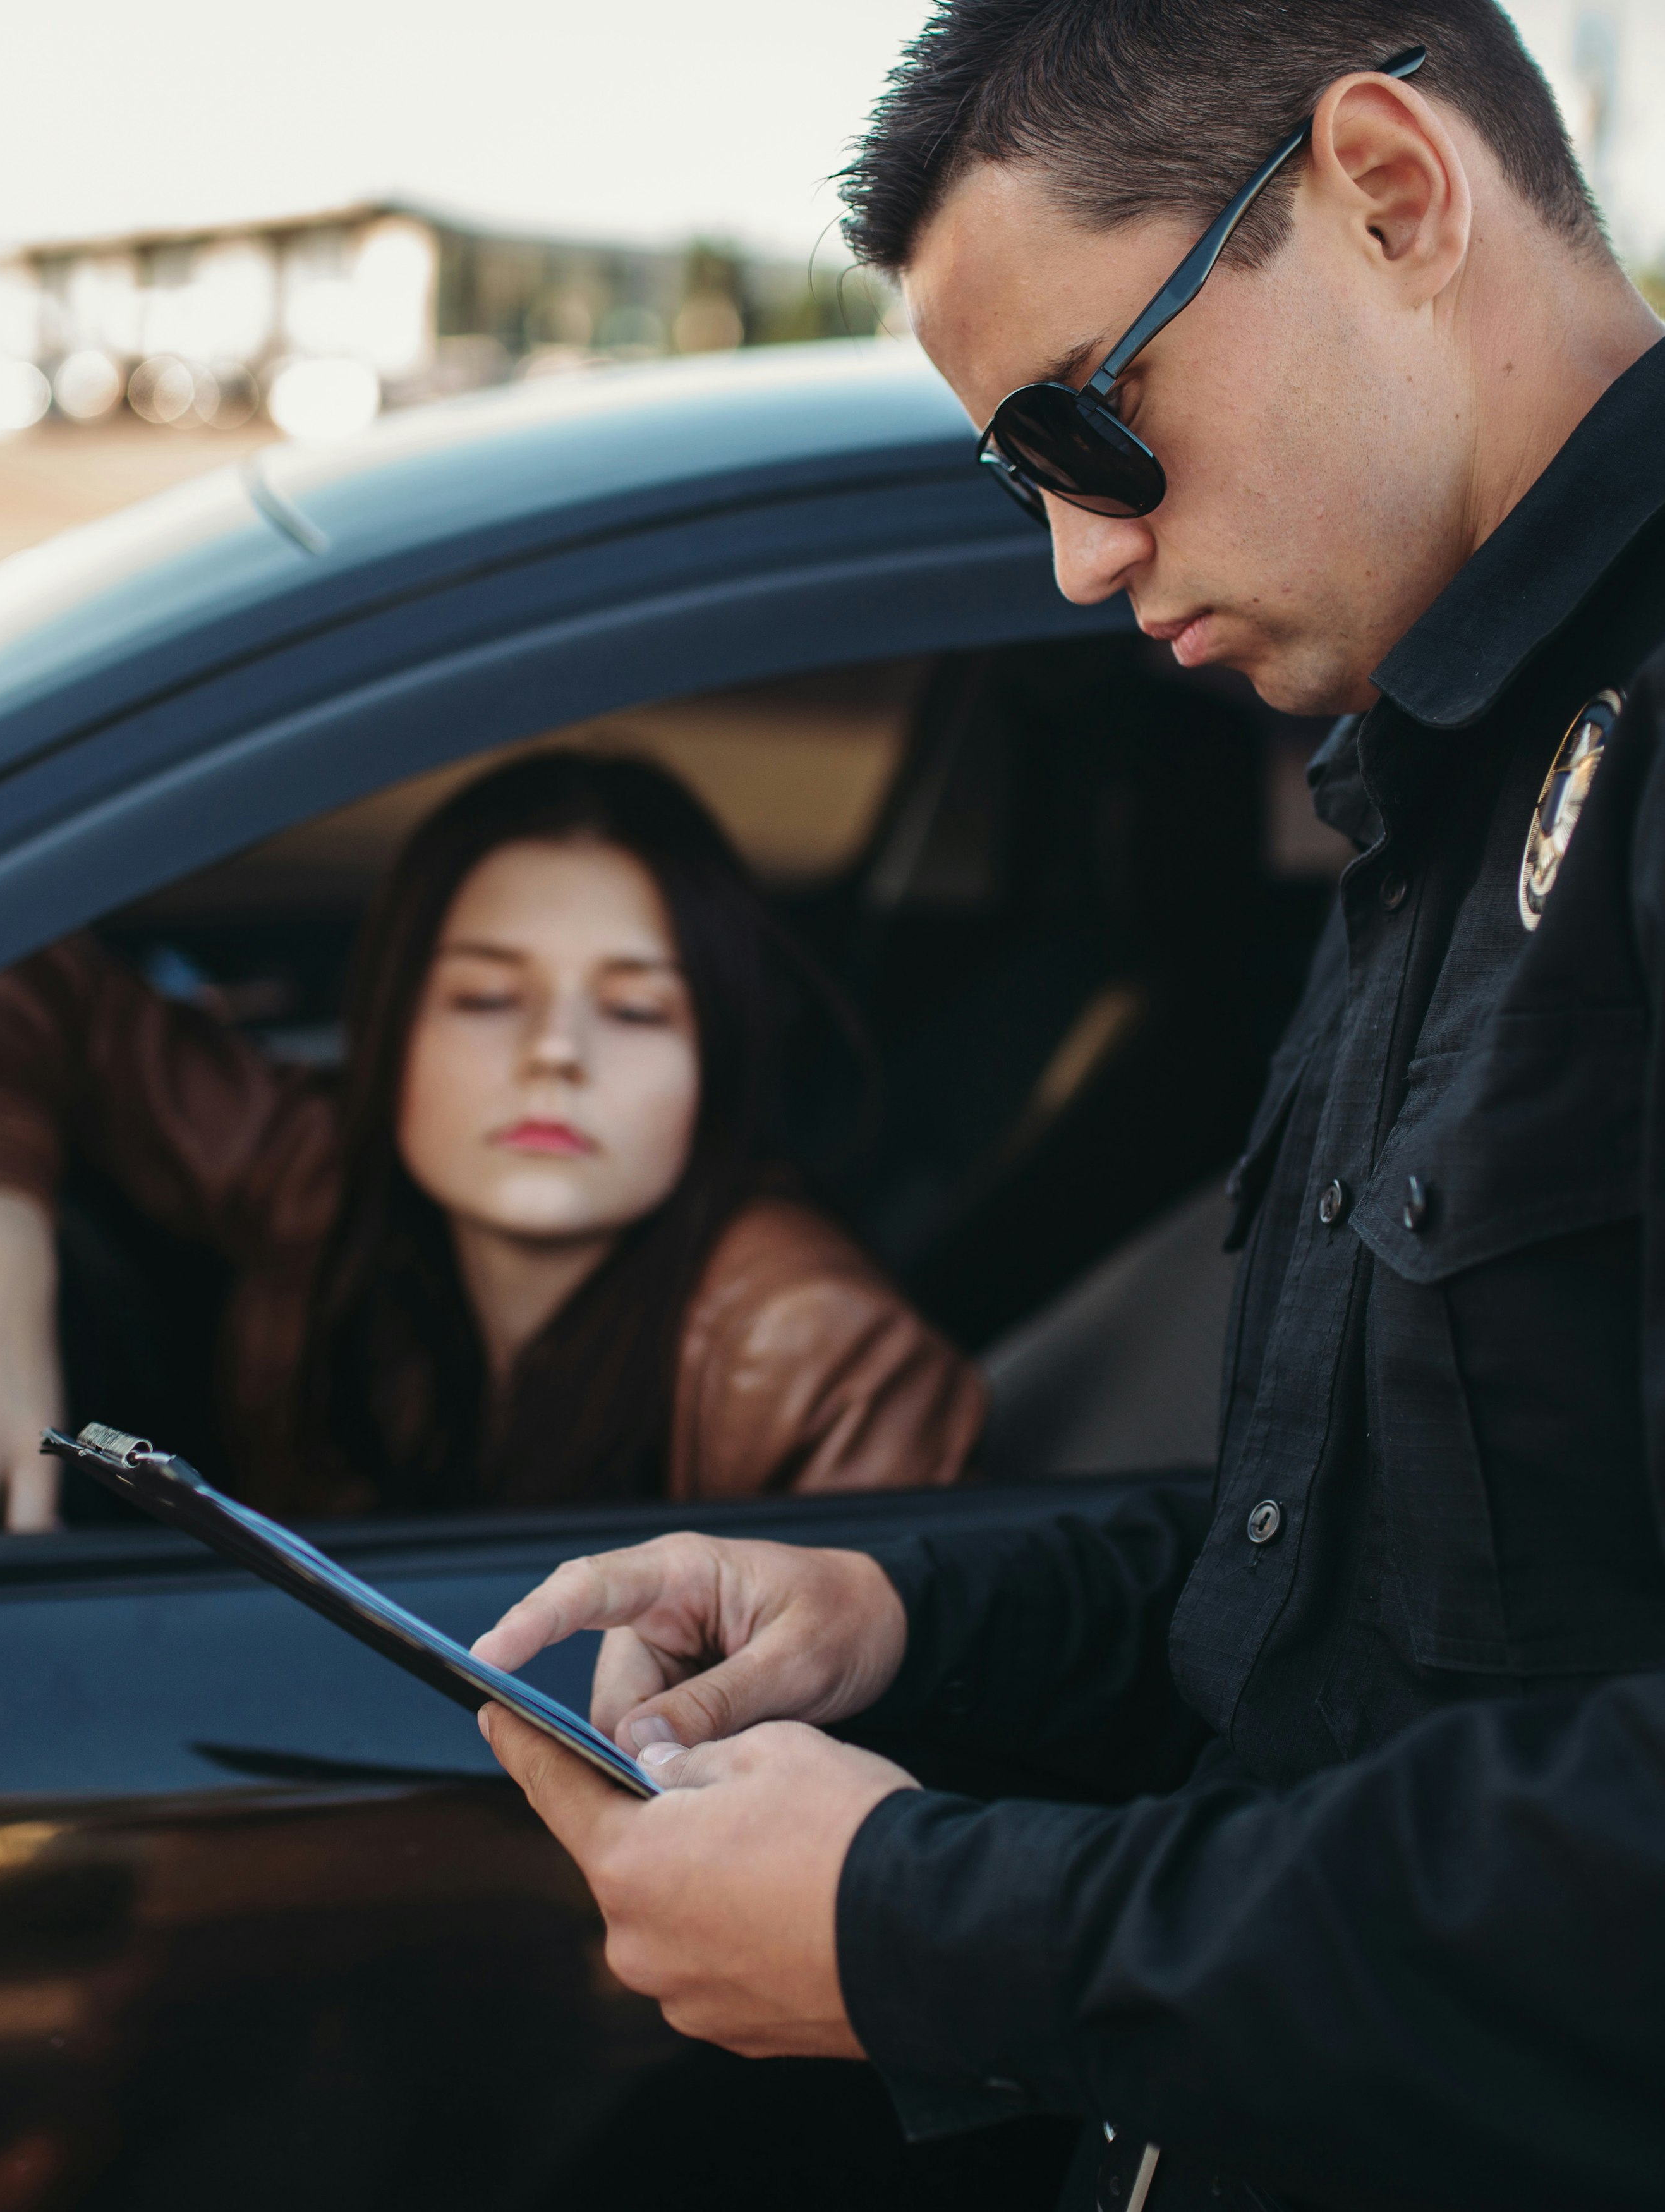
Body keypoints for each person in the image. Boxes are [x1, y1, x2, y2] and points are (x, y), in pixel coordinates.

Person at [468, 6, 1665, 2207]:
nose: (1077, 560)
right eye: (1016, 483)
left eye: (1087, 429)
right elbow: (1364, 1602)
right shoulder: (1431, 764)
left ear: (1391, 192)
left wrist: (932, 1931)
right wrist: (911, 1622)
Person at [0, 750, 983, 1531]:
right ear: (390, 1033)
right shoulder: (323, 1175)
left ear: (716, 1065)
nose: (556, 1053)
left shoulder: (823, 1361)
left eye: (637, 1010)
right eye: (488, 999)